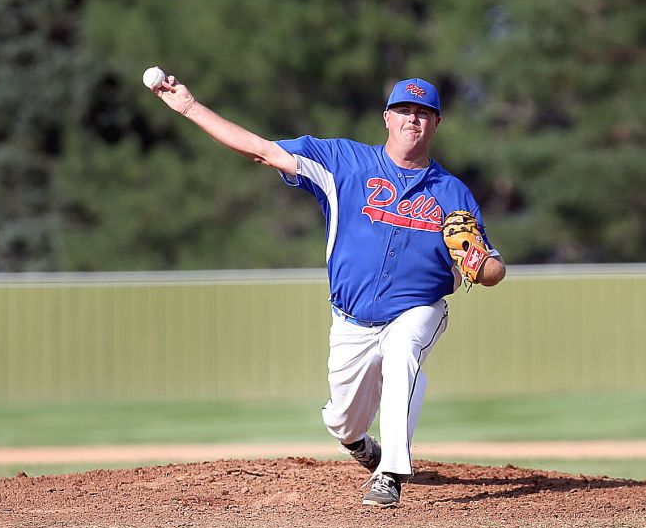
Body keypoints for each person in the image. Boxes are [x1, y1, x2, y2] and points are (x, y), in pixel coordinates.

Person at [151, 73, 506, 506]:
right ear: (387, 119)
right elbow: (262, 150)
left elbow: (492, 269)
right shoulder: (343, 163)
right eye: (404, 111)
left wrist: (481, 263)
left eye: (423, 113)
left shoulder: (453, 193)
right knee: (343, 422)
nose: (413, 120)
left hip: (418, 308)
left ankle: (390, 472)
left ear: (436, 124)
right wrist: (189, 108)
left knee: (403, 354)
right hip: (351, 319)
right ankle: (361, 445)